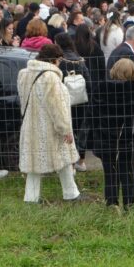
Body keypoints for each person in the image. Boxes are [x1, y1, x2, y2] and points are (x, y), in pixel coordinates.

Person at [17, 45, 82, 203]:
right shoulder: (51, 77)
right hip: (50, 126)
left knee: (34, 163)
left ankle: (31, 198)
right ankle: (71, 193)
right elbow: (57, 107)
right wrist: (65, 128)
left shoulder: (24, 74)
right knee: (64, 158)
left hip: (31, 124)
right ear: (55, 59)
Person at [92, 58, 134, 207]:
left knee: (110, 173)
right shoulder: (133, 90)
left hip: (105, 138)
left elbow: (93, 114)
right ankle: (129, 204)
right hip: (127, 140)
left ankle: (111, 203)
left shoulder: (101, 88)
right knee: (128, 173)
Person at [55, 33, 91, 172]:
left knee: (67, 129)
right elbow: (88, 81)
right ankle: (81, 161)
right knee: (81, 130)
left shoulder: (58, 60)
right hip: (81, 100)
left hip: (64, 100)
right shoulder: (80, 60)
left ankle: (69, 164)